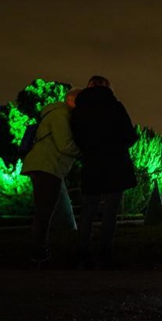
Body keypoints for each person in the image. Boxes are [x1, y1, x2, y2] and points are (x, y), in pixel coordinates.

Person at [71, 76, 138, 268]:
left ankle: (82, 255)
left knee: (88, 212)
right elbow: (130, 135)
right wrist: (117, 147)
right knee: (110, 213)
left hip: (92, 164)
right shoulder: (115, 107)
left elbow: (76, 137)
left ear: (88, 87)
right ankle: (105, 255)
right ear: (108, 87)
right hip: (115, 165)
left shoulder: (79, 111)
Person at [21, 87, 82, 267]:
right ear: (72, 100)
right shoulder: (61, 115)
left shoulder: (54, 113)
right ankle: (39, 254)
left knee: (44, 212)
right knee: (44, 213)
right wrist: (84, 152)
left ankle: (39, 251)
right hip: (47, 166)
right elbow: (65, 144)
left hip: (43, 165)